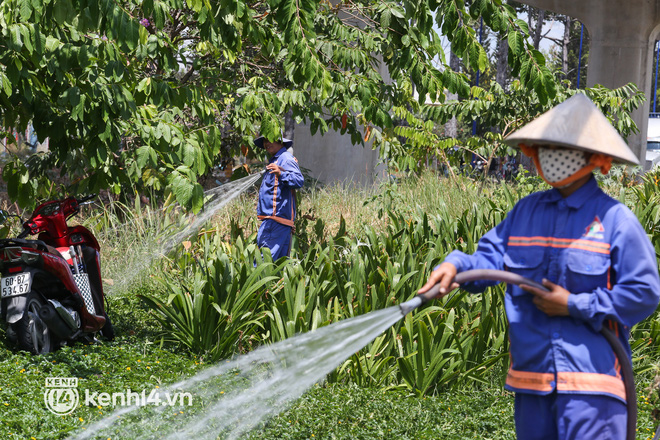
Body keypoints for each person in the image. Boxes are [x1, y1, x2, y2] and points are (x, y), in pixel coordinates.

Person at [418, 94, 660, 440]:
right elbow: (487, 259)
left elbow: (643, 294)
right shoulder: (524, 212)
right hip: (531, 384)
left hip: (594, 387)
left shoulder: (615, 221)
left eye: (562, 147)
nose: (552, 154)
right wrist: (454, 267)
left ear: (594, 157)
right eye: (546, 145)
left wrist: (574, 305)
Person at [254, 134, 304, 260]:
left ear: (281, 142)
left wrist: (281, 173)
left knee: (263, 264)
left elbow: (298, 180)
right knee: (278, 267)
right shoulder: (276, 161)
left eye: (270, 139)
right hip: (278, 222)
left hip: (276, 222)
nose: (266, 143)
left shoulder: (285, 158)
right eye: (264, 141)